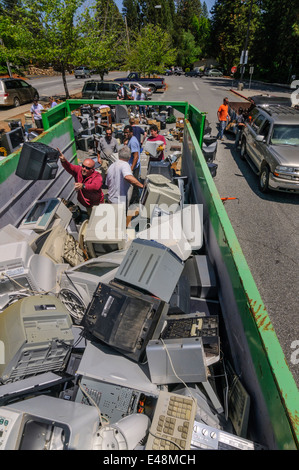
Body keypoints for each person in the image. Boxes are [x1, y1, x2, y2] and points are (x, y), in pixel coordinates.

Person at [58, 149, 104, 216]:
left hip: (96, 203)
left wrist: (83, 186)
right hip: (86, 202)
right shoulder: (79, 170)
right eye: (83, 166)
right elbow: (70, 167)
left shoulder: (97, 176)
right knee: (91, 215)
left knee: (98, 217)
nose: (84, 169)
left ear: (92, 170)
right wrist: (63, 160)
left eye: (87, 168)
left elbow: (96, 186)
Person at [123, 125, 141, 204]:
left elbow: (136, 156)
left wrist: (131, 169)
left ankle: (136, 200)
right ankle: (136, 199)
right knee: (134, 184)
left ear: (131, 132)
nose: (125, 134)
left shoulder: (133, 141)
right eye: (124, 132)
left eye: (127, 133)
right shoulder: (131, 139)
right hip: (133, 166)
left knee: (134, 184)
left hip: (134, 167)